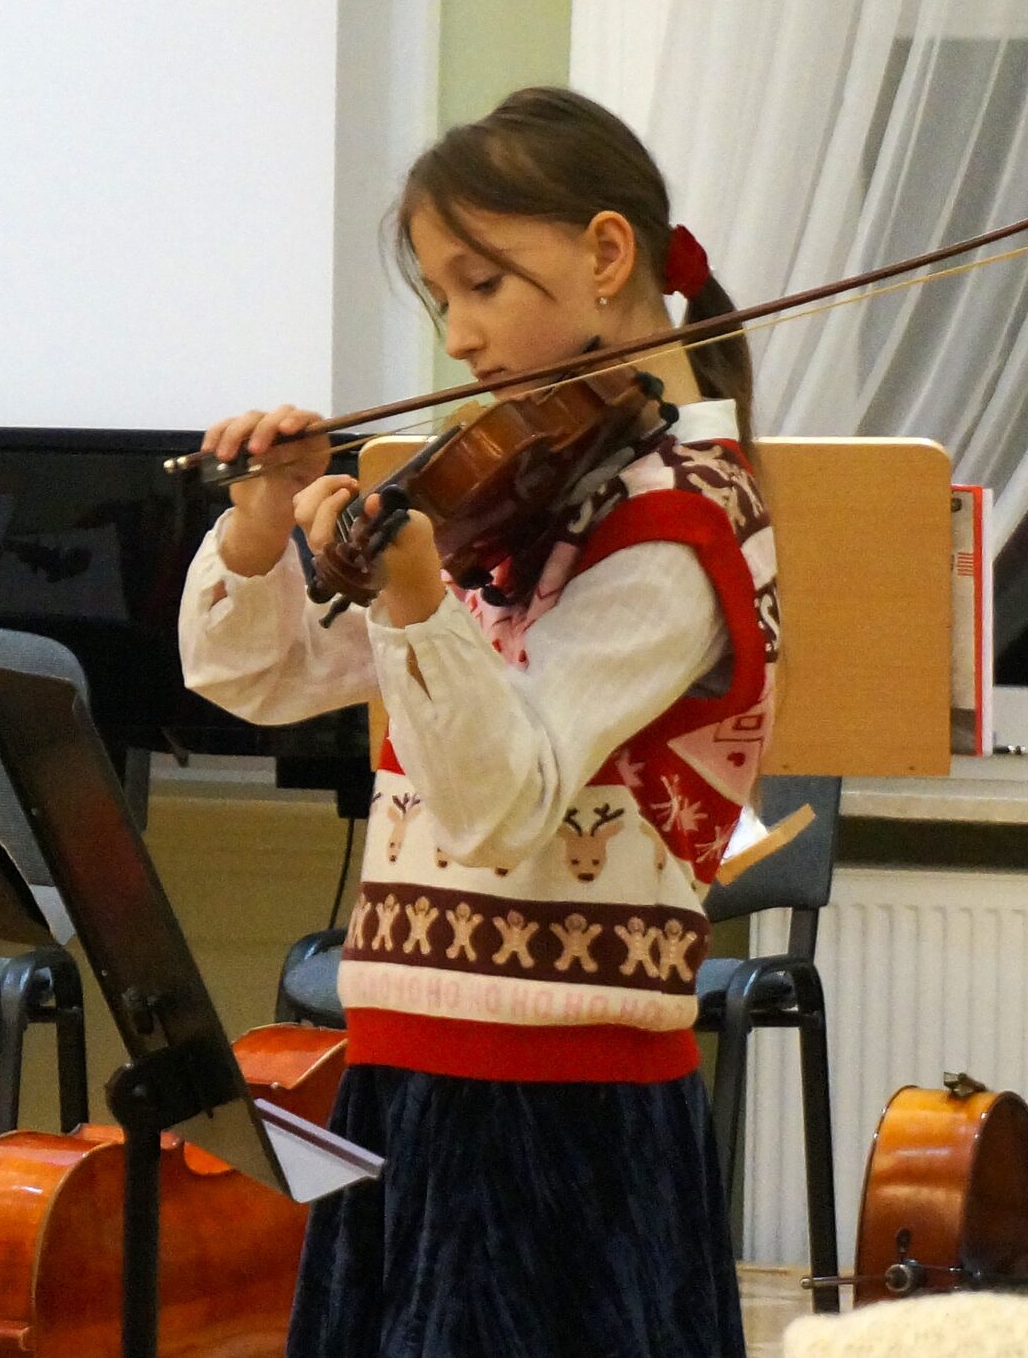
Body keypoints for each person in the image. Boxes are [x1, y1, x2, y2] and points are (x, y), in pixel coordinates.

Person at [182, 86, 778, 1358]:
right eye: (439, 299)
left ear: (607, 256)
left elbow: (505, 803)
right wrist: (258, 527)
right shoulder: (520, 498)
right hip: (409, 1055)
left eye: (483, 285)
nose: (457, 337)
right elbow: (261, 680)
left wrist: (412, 597)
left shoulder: (677, 524)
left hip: (555, 1102)